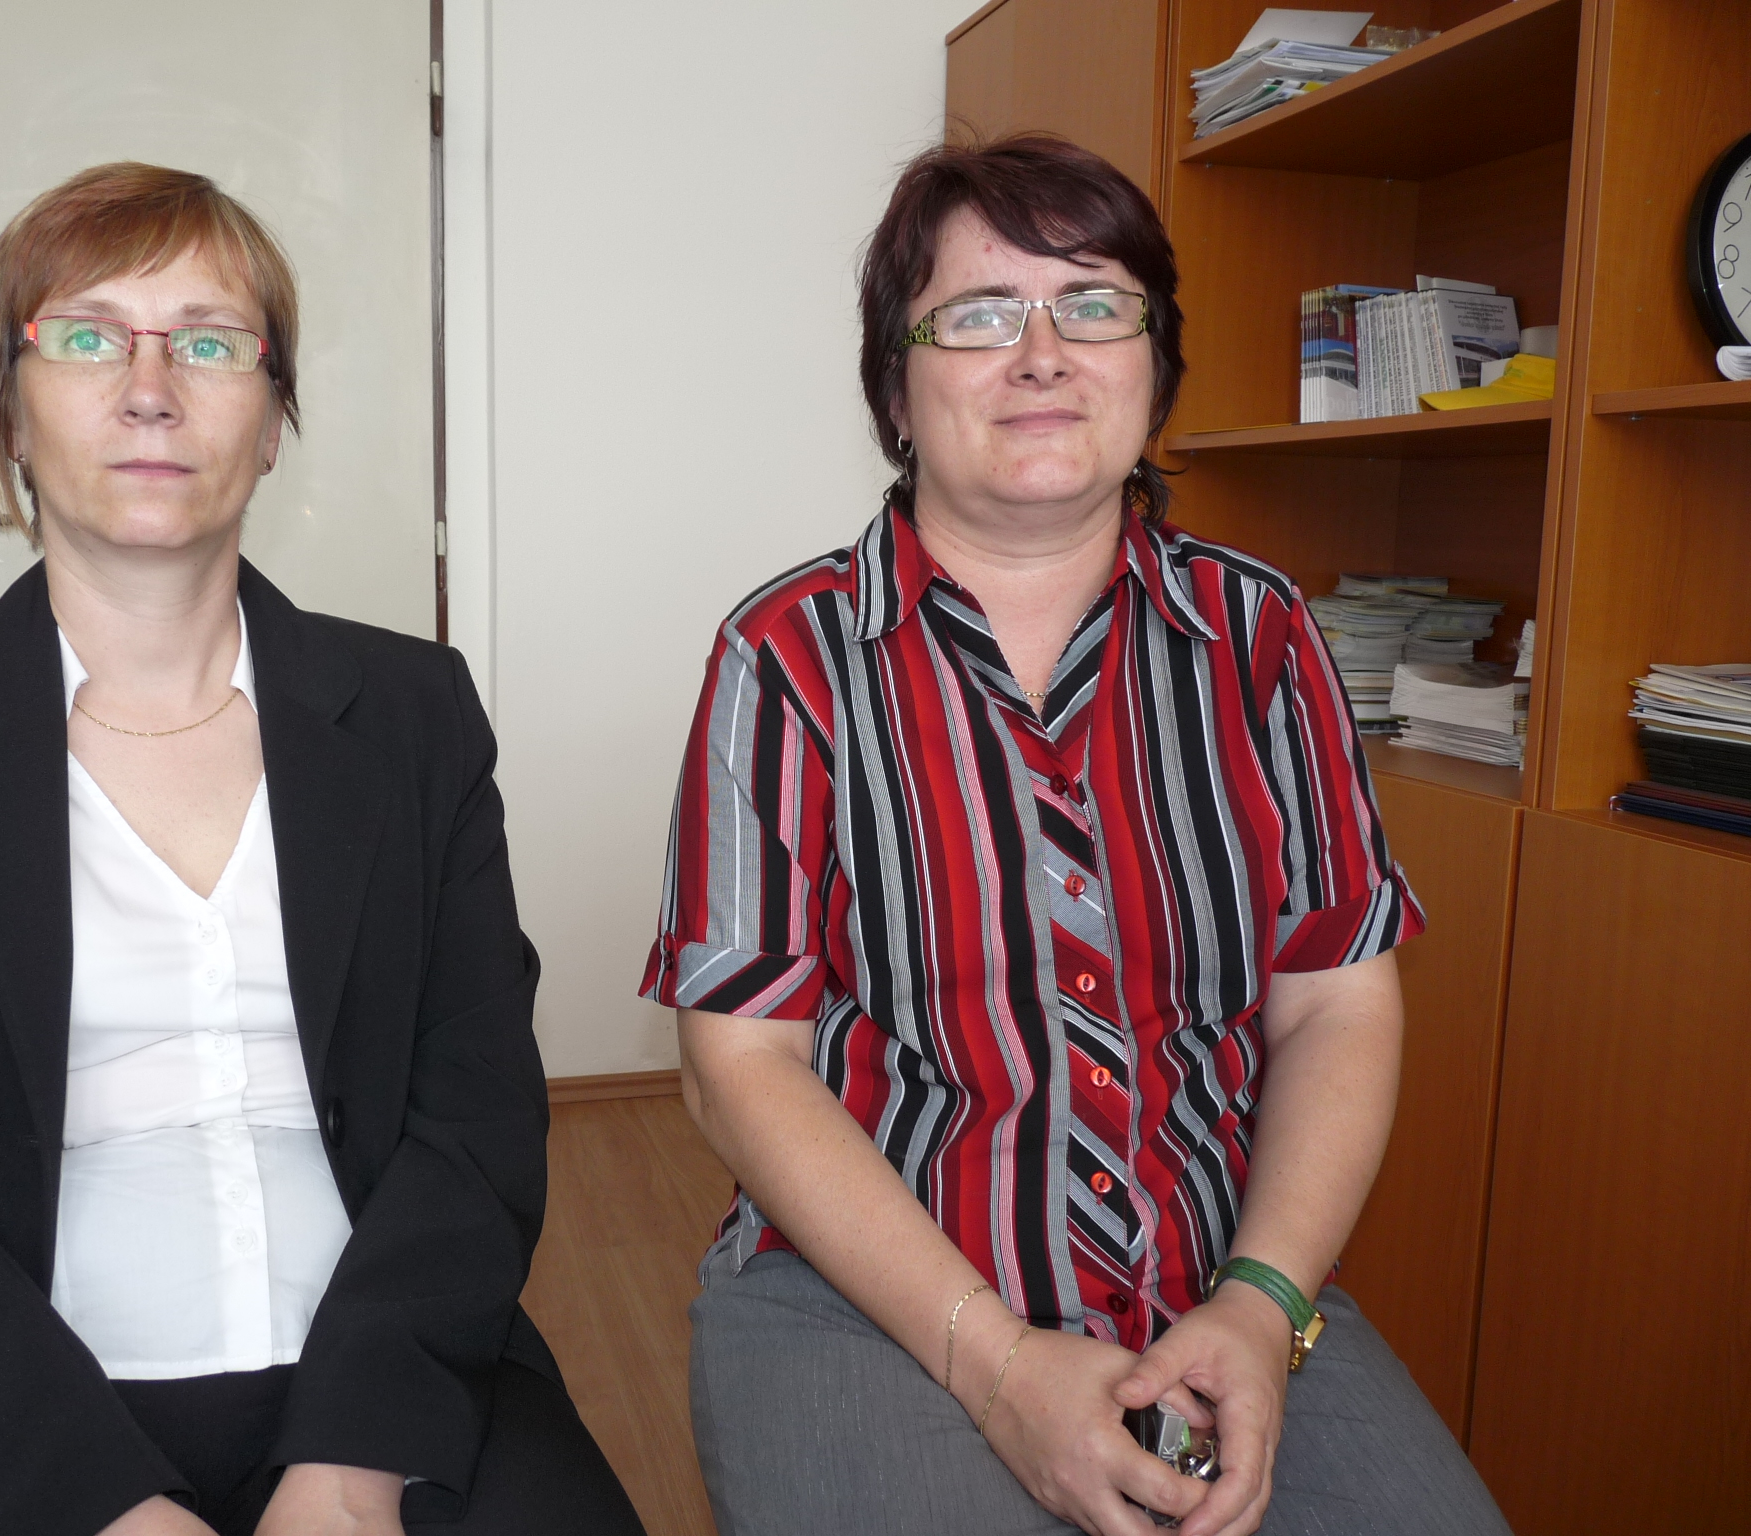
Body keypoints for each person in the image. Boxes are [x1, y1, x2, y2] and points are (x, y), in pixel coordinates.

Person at [0, 162, 643, 1536]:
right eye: (87, 337)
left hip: (377, 1363)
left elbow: (478, 1121)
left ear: (272, 421)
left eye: (209, 343)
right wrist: (95, 1506)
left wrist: (352, 1467)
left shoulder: (411, 710)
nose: (149, 388)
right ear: (10, 411)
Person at [642, 135, 1512, 1536]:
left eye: (1095, 305)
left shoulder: (1261, 635)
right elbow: (737, 1063)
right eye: (979, 315)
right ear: (896, 389)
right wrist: (994, 1363)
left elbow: (1338, 1004)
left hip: (1215, 1289)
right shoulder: (788, 654)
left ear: (1153, 366)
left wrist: (1262, 1304)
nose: (1043, 355)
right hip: (872, 1292)